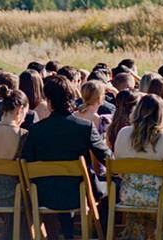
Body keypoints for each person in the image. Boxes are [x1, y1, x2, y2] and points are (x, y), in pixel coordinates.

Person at [22, 75, 111, 239]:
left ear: (48, 100)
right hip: (78, 194)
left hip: (44, 195)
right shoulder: (85, 127)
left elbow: (26, 161)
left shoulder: (36, 130)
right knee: (108, 191)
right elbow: (107, 158)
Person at [114, 94, 163, 208]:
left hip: (127, 195)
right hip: (158, 197)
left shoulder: (123, 133)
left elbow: (118, 161)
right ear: (161, 116)